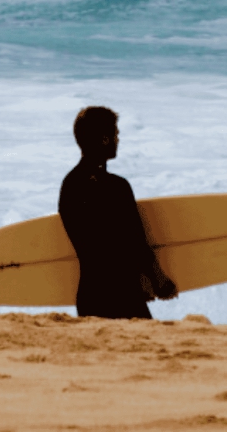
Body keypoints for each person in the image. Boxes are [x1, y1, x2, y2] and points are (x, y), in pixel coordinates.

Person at [57, 106, 177, 319]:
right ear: (104, 139)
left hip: (89, 297)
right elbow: (135, 242)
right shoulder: (116, 187)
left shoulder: (69, 185)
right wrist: (158, 281)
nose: (117, 140)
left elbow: (97, 246)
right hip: (123, 296)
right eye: (116, 134)